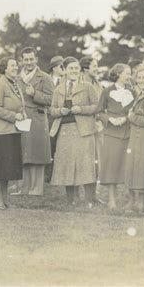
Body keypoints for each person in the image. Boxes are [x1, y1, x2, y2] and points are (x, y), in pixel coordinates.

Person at [49, 57, 99, 207]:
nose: (74, 71)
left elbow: (97, 106)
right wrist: (60, 111)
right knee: (67, 164)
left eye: (76, 68)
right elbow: (51, 110)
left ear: (79, 70)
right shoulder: (58, 89)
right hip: (64, 131)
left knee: (85, 164)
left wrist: (82, 109)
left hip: (83, 130)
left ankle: (89, 199)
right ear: (64, 70)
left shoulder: (88, 86)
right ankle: (71, 199)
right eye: (70, 68)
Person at [15, 47, 54, 196]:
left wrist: (35, 94)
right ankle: (24, 188)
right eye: (26, 59)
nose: (29, 62)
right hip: (22, 119)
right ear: (21, 61)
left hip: (37, 119)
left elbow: (52, 100)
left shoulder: (45, 78)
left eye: (31, 59)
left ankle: (37, 189)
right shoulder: (17, 78)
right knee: (24, 153)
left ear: (36, 60)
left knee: (37, 154)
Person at [97, 63, 135, 210]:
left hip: (128, 132)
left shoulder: (133, 92)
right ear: (118, 74)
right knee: (111, 167)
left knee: (128, 166)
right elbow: (99, 111)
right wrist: (109, 120)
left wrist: (126, 118)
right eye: (127, 73)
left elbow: (135, 110)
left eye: (130, 73)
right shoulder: (107, 91)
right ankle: (111, 200)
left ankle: (131, 200)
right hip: (111, 133)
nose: (129, 76)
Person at [0, 58, 25, 209]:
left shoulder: (15, 84)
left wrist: (23, 114)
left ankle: (5, 199)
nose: (15, 68)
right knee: (0, 167)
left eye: (16, 65)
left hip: (13, 131)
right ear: (4, 69)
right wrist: (14, 116)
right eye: (12, 65)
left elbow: (19, 105)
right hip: (0, 132)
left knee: (8, 167)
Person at [124, 66, 144, 211]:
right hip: (136, 136)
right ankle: (136, 201)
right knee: (135, 167)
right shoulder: (141, 94)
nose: (141, 80)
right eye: (139, 78)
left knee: (143, 167)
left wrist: (131, 116)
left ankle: (143, 202)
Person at [79, 56, 104, 203]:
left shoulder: (97, 84)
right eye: (94, 66)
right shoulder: (81, 84)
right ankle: (87, 197)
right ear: (86, 68)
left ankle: (93, 197)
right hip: (85, 128)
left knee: (96, 162)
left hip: (98, 127)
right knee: (87, 162)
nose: (97, 68)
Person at [45, 55, 65, 183]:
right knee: (49, 145)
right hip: (48, 116)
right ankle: (48, 173)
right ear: (54, 68)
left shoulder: (66, 81)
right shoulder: (47, 80)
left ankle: (60, 174)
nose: (63, 69)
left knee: (61, 145)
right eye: (60, 66)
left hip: (61, 116)